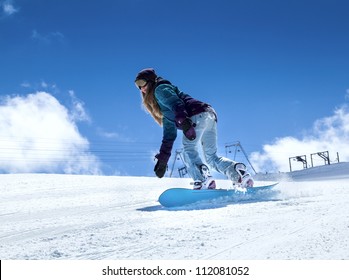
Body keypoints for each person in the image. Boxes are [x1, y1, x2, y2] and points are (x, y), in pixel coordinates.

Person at [134, 68, 254, 189]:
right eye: (137, 86)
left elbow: (176, 103)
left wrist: (184, 121)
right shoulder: (165, 113)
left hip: (196, 115)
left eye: (142, 83)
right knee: (211, 158)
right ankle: (238, 173)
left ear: (151, 81)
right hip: (209, 114)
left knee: (188, 151)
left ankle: (202, 180)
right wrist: (163, 160)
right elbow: (168, 137)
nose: (141, 88)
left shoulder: (159, 89)